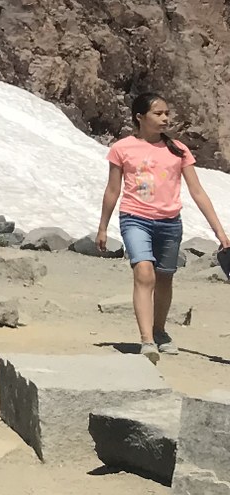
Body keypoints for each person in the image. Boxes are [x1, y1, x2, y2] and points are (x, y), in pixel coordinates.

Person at [95, 92, 230, 360]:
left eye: (167, 113)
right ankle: (147, 340)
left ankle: (159, 331)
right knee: (144, 273)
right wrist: (103, 227)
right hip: (135, 218)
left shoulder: (178, 150)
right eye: (158, 113)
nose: (165, 118)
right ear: (139, 117)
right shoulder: (122, 149)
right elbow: (112, 190)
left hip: (170, 223)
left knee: (165, 278)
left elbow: (198, 192)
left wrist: (220, 232)